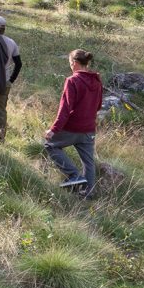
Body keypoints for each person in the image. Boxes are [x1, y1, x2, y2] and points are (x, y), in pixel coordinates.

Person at [43, 49, 102, 196]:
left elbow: (65, 109)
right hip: (89, 129)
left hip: (72, 128)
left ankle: (74, 176)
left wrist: (53, 130)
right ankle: (88, 193)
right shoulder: (97, 81)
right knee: (88, 161)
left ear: (75, 63)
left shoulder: (72, 81)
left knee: (50, 145)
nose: (70, 66)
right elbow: (99, 105)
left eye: (70, 63)